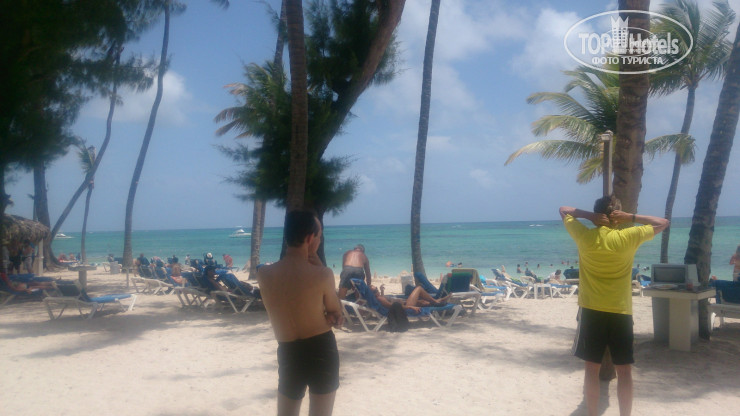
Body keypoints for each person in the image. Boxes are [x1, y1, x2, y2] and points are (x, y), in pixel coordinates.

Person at [560, 195, 669, 416]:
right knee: (624, 371)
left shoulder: (584, 236)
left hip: (591, 311)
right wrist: (630, 217)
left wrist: (590, 216)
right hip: (620, 311)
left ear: (597, 213)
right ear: (618, 216)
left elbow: (564, 210)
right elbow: (662, 223)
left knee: (591, 369)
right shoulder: (629, 236)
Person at [257, 210, 343, 416]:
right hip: (321, 349)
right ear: (310, 238)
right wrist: (320, 266)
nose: (319, 240)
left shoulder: (264, 274)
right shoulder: (322, 274)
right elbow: (337, 314)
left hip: (288, 351)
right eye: (320, 236)